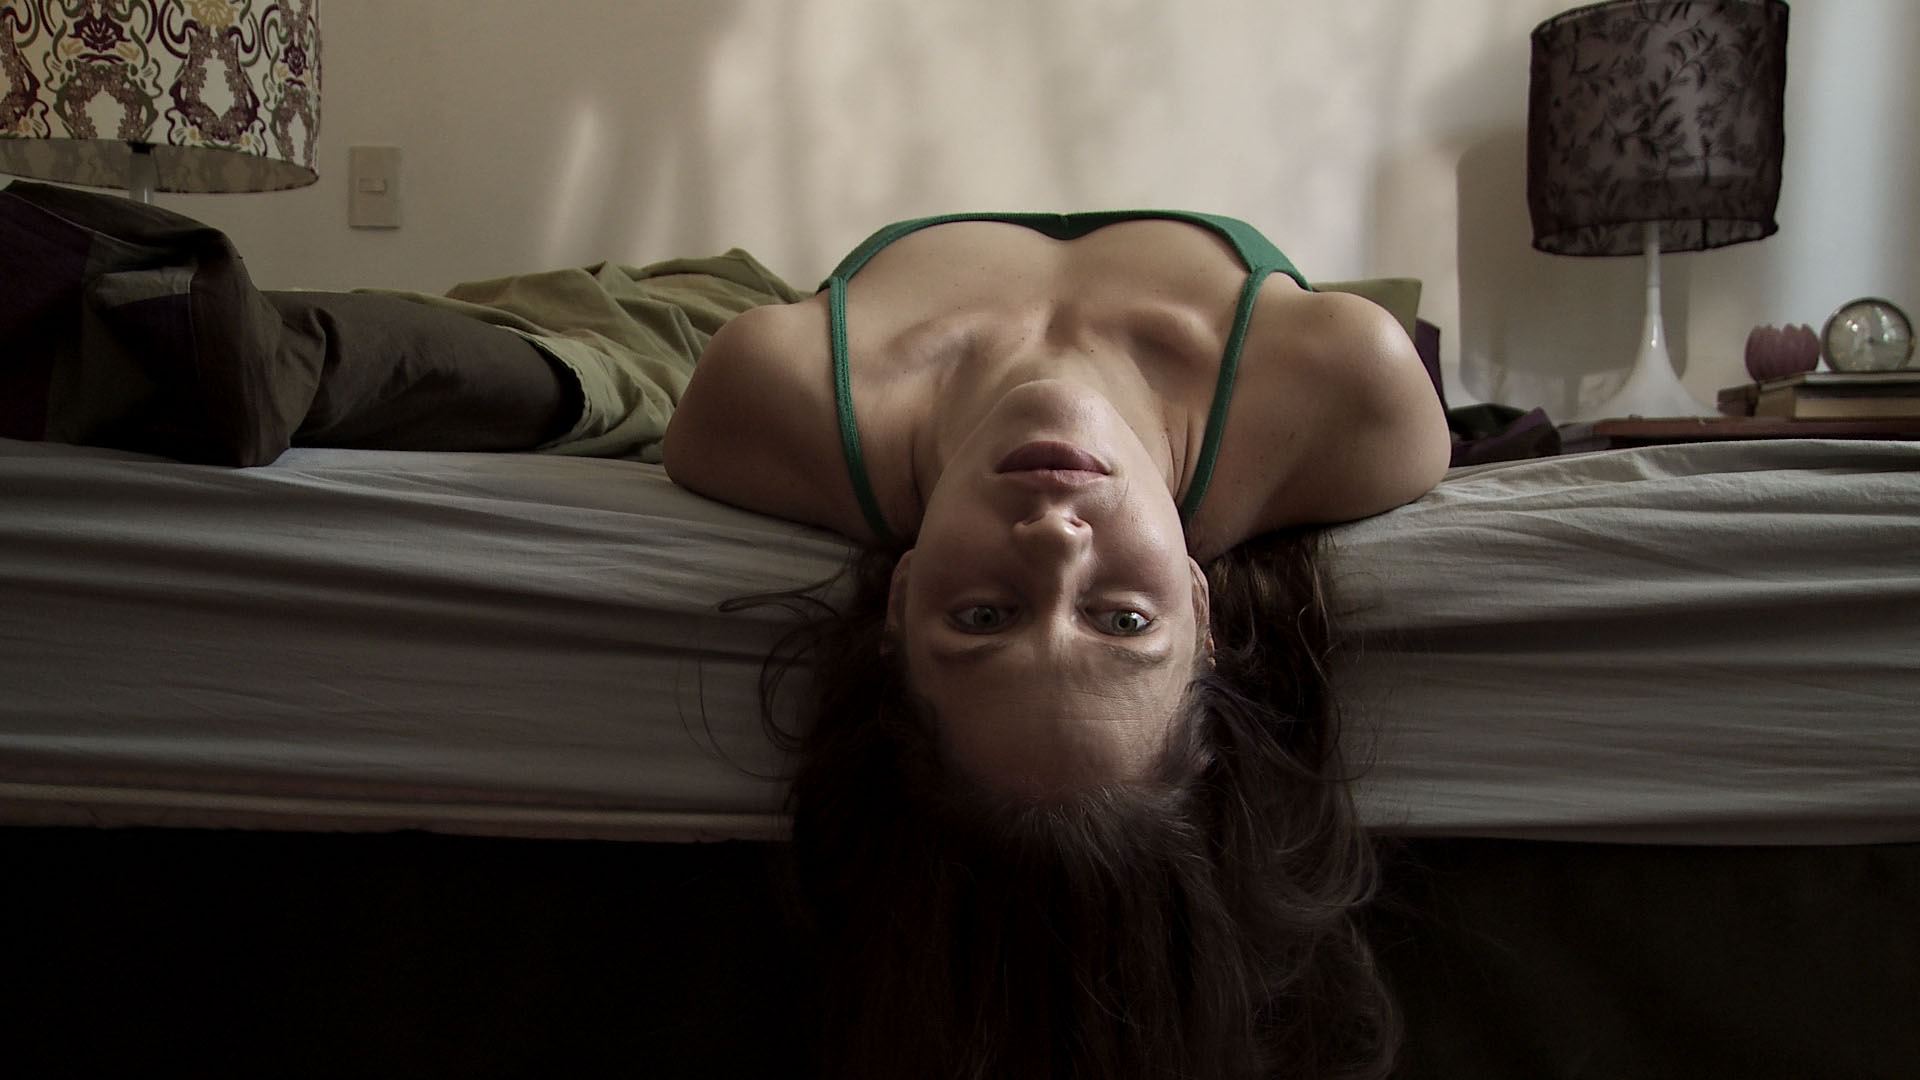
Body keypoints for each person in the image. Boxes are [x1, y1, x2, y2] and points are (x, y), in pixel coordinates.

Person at [2, 185, 1449, 1078]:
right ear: (1205, 609)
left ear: (898, 605)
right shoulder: (1350, 391)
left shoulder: (772, 397)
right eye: (1121, 619)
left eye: (984, 618)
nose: (1056, 542)